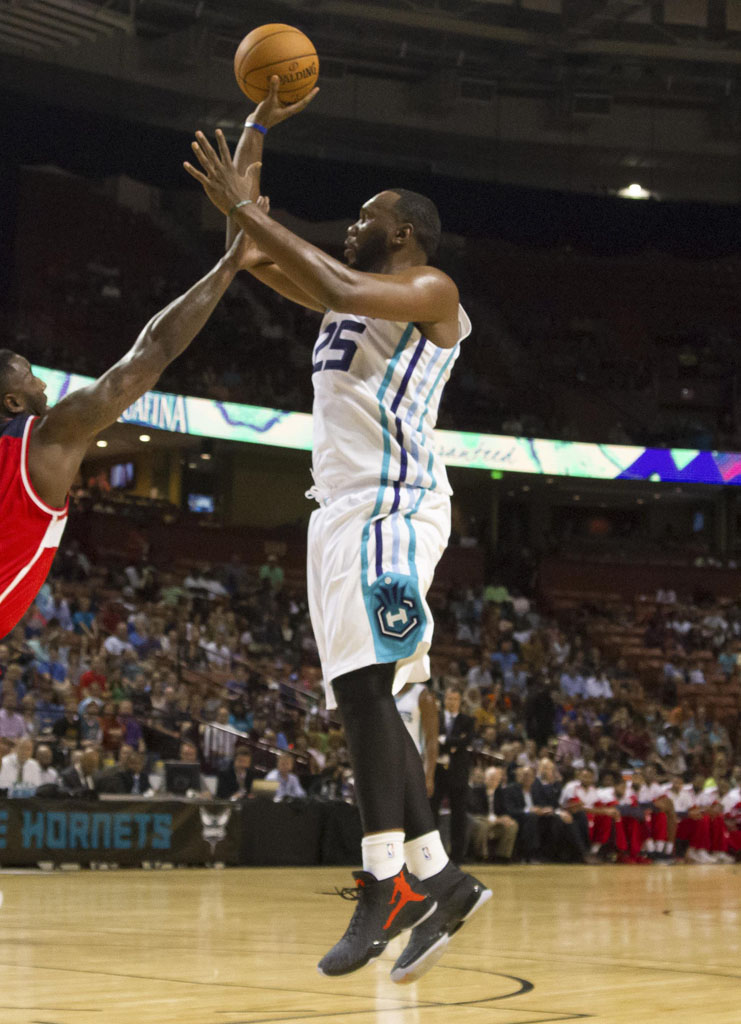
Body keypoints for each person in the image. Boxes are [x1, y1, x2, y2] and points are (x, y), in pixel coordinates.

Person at [184, 77, 489, 983]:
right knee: (362, 695)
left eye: (365, 215)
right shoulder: (345, 295)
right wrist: (251, 136)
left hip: (394, 509)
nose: (350, 223)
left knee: (365, 688)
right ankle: (444, 879)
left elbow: (323, 270)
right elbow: (260, 250)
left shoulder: (431, 289)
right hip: (339, 515)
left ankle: (384, 881)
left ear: (404, 232)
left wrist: (255, 217)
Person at [0, 230, 253, 638]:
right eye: (31, 377)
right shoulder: (44, 441)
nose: (43, 386)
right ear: (12, 403)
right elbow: (150, 353)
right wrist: (227, 268)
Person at [432, 687, 475, 866]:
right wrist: (452, 744)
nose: (451, 702)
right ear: (445, 700)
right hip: (437, 773)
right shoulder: (436, 718)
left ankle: (457, 856)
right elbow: (430, 739)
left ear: (460, 701)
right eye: (448, 698)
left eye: (454, 699)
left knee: (459, 815)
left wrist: (444, 741)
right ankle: (432, 855)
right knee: (432, 813)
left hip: (458, 774)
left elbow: (466, 741)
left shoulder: (468, 720)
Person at [394, 681, 438, 798]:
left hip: (412, 763)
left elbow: (431, 739)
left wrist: (429, 775)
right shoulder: (384, 691)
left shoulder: (422, 694)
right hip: (387, 763)